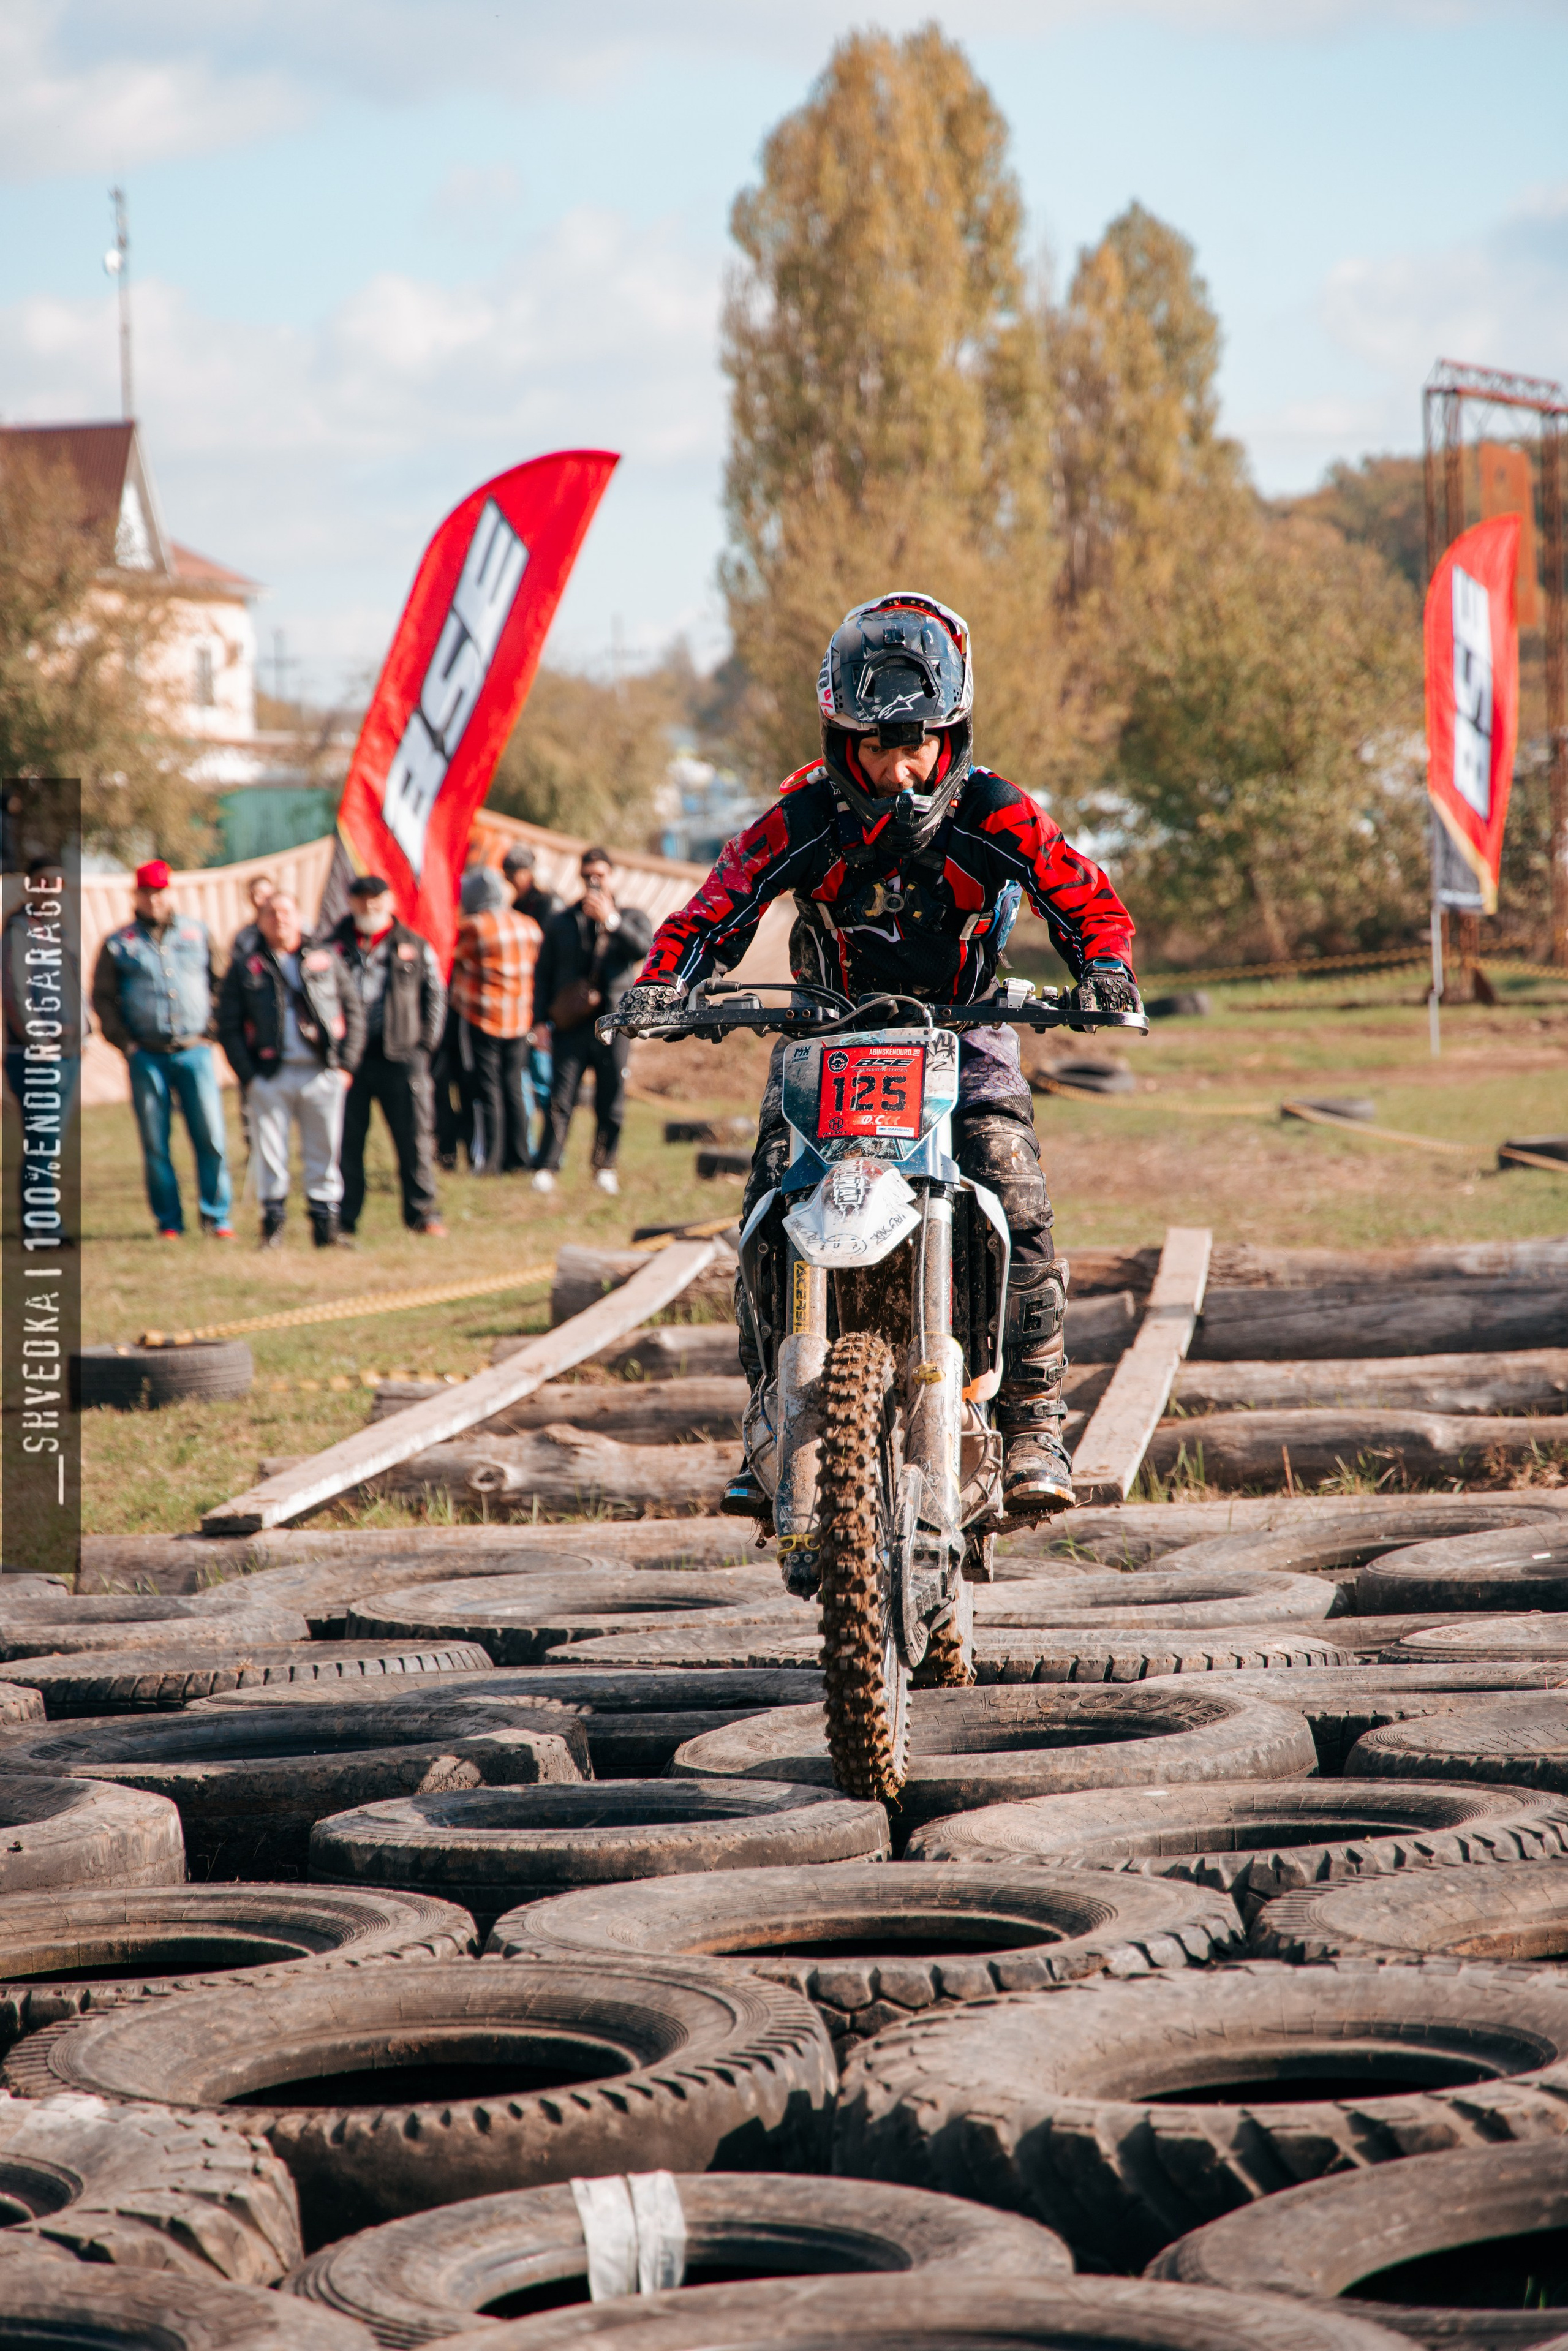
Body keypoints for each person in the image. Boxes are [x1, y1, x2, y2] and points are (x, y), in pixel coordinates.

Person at [607, 592, 1140, 1519]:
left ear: (950, 735)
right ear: (839, 741)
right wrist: (665, 981)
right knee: (767, 1207)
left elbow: (1088, 899)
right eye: (876, 746)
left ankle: (1033, 1421)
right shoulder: (802, 816)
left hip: (963, 1031)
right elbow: (715, 905)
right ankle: (771, 1414)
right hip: (829, 1041)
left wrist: (1105, 970)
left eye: (917, 743)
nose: (900, 769)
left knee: (1015, 1187)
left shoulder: (997, 811)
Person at [91, 858, 234, 1240]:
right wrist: (126, 1044)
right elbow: (103, 998)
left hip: (194, 1050)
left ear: (170, 892)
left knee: (211, 1137)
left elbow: (222, 983)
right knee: (156, 1142)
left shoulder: (197, 933)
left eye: (159, 892)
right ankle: (169, 1221)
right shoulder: (119, 943)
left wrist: (213, 1030)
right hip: (147, 1056)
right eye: (146, 892)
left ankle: (217, 1217)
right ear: (136, 895)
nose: (154, 899)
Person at [217, 889, 364, 1248]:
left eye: (286, 912)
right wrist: (248, 1076)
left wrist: (345, 1067)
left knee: (325, 1151)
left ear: (299, 917)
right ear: (259, 920)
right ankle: (273, 1226)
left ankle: (325, 1226)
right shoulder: (246, 965)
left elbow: (353, 1010)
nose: (279, 919)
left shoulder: (325, 959)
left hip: (321, 1071)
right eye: (271, 913)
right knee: (270, 1153)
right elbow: (229, 1024)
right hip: (270, 1073)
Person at [330, 875, 447, 1240]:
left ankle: (423, 1214)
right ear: (350, 902)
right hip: (348, 1059)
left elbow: (436, 995)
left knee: (415, 1138)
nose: (369, 905)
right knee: (346, 1142)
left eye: (376, 898)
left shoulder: (413, 944)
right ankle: (343, 1219)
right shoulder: (332, 946)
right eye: (362, 899)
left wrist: (424, 1046)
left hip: (401, 1055)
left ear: (390, 900)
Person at [532, 847, 652, 1197]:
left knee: (611, 1098)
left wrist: (611, 920)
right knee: (560, 1097)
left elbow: (643, 949)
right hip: (571, 1024)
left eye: (600, 875)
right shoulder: (562, 920)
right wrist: (539, 1022)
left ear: (612, 875)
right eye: (587, 876)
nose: (594, 881)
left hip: (615, 1022)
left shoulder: (631, 916)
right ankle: (547, 1166)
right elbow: (543, 973)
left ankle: (605, 1166)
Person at [4, 849, 86, 1246]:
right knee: (42, 1142)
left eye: (58, 882)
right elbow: (16, 993)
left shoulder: (61, 931)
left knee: (50, 1144)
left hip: (69, 1052)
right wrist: (40, 1042)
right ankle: (41, 1226)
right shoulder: (19, 931)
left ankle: (43, 1222)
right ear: (30, 887)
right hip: (37, 1056)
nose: (51, 889)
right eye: (44, 881)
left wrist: (84, 1032)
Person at [449, 866, 540, 1177]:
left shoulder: (473, 928)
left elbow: (454, 960)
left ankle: (491, 1160)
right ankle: (520, 1156)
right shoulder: (529, 926)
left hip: (483, 1018)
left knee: (488, 1089)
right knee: (514, 1087)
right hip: (520, 1018)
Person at [502, 843, 558, 1161]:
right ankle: (527, 1151)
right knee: (523, 1080)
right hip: (521, 1001)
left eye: (516, 874)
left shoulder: (549, 904)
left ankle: (551, 1152)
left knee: (544, 1081)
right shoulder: (517, 905)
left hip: (544, 1005)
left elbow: (548, 960)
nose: (513, 880)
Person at [229, 873, 276, 964]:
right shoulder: (244, 937)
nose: (266, 900)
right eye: (260, 895)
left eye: (269, 895)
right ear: (251, 899)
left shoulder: (294, 927)